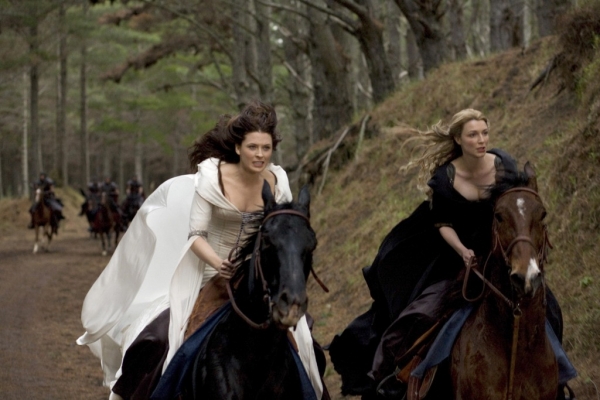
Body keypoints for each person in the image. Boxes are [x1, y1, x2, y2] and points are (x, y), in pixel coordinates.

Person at [77, 101, 325, 400]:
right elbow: (195, 236)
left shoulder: (278, 180)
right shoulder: (212, 177)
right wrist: (218, 263)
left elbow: (283, 232)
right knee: (158, 339)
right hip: (208, 274)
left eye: (266, 148)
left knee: (309, 349)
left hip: (261, 280)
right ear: (238, 148)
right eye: (253, 147)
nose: (260, 154)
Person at [328, 109, 574, 398]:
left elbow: (513, 207)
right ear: (458, 139)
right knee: (422, 314)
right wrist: (463, 251)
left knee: (548, 307)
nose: (481, 140)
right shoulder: (445, 178)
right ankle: (402, 377)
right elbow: (443, 224)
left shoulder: (503, 165)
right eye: (473, 135)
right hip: (458, 258)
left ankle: (557, 379)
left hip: (501, 252)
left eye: (484, 133)